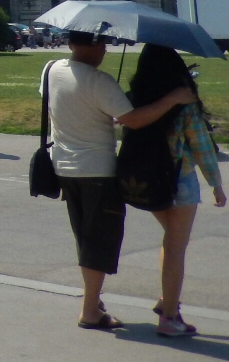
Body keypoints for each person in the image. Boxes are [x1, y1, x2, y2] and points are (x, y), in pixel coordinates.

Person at [43, 30, 195, 331]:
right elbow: (133, 119)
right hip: (97, 170)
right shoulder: (100, 82)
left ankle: (93, 299)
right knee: (99, 241)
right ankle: (90, 311)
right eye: (98, 44)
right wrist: (174, 98)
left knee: (85, 236)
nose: (101, 50)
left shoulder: (52, 69)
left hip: (64, 166)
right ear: (93, 45)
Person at [124, 44, 226, 338]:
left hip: (144, 179)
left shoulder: (134, 99)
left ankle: (167, 299)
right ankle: (170, 316)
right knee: (176, 248)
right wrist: (216, 184)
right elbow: (201, 146)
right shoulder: (183, 102)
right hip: (179, 180)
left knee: (170, 242)